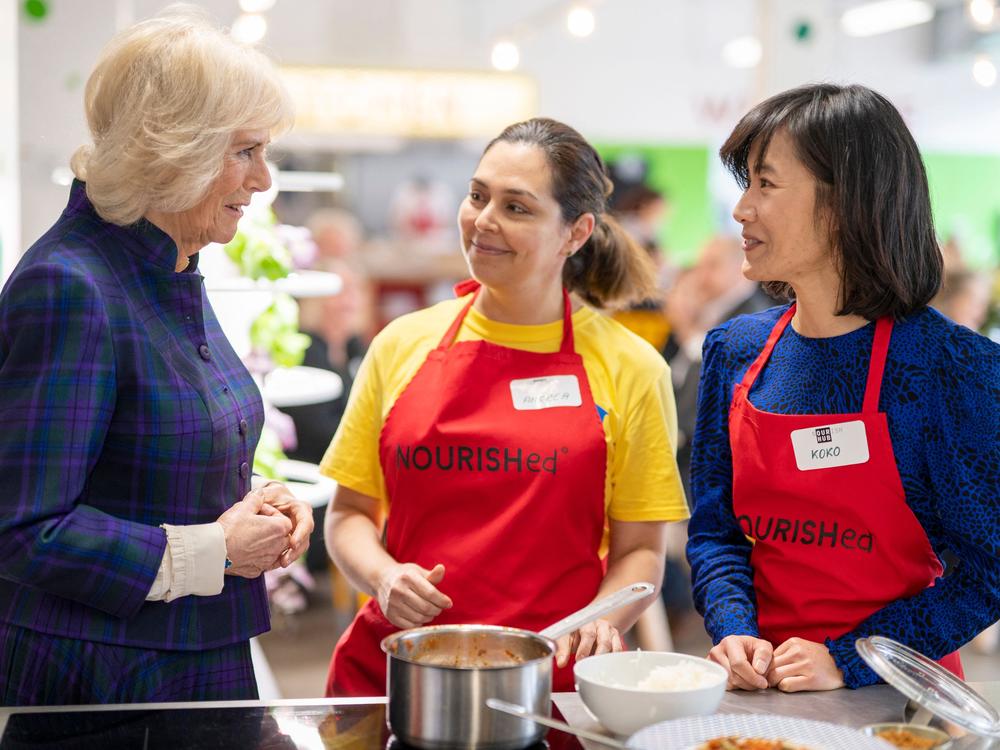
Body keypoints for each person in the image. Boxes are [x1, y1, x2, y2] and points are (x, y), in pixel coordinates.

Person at [0, 6, 314, 705]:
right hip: (108, 684)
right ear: (173, 149)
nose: (263, 180)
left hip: (184, 658)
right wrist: (214, 551)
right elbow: (22, 530)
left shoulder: (168, 264)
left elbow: (149, 458)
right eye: (245, 152)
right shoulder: (71, 285)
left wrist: (254, 505)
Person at [320, 117, 688, 696]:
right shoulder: (401, 344)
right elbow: (347, 515)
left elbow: (641, 551)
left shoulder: (631, 367)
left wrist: (602, 621)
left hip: (547, 681)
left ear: (576, 232)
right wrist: (384, 575)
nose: (483, 220)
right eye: (477, 196)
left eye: (517, 207)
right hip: (399, 671)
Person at [687, 83, 1000, 693]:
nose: (741, 207)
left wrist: (854, 656)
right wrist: (732, 627)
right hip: (762, 687)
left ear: (843, 204)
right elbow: (715, 529)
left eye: (765, 184)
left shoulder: (951, 368)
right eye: (745, 182)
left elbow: (991, 571)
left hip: (900, 696)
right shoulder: (735, 351)